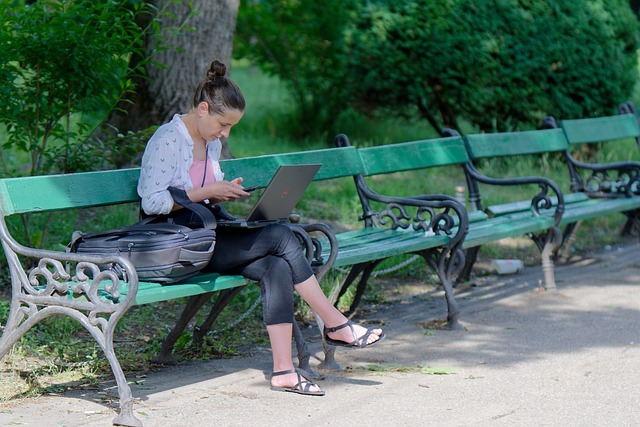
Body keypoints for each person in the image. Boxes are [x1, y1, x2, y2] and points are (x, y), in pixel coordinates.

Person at [137, 59, 384, 396]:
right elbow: (152, 203)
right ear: (203, 109)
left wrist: (225, 190)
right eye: (223, 125)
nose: (225, 134)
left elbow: (202, 194)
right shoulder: (167, 139)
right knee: (281, 236)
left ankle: (283, 371)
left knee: (275, 265)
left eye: (231, 128)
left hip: (205, 232)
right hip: (176, 243)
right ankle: (334, 322)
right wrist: (209, 191)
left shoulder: (209, 142)